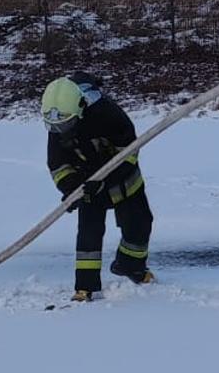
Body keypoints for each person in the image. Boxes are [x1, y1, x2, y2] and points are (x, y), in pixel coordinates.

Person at [41, 72, 155, 302]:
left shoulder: (108, 115)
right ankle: (85, 288)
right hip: (87, 189)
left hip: (124, 183)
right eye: (55, 125)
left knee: (139, 227)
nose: (61, 131)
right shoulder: (58, 128)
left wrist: (105, 180)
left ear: (81, 108)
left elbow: (130, 153)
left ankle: (130, 266)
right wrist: (71, 188)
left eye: (67, 123)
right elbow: (57, 165)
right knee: (88, 238)